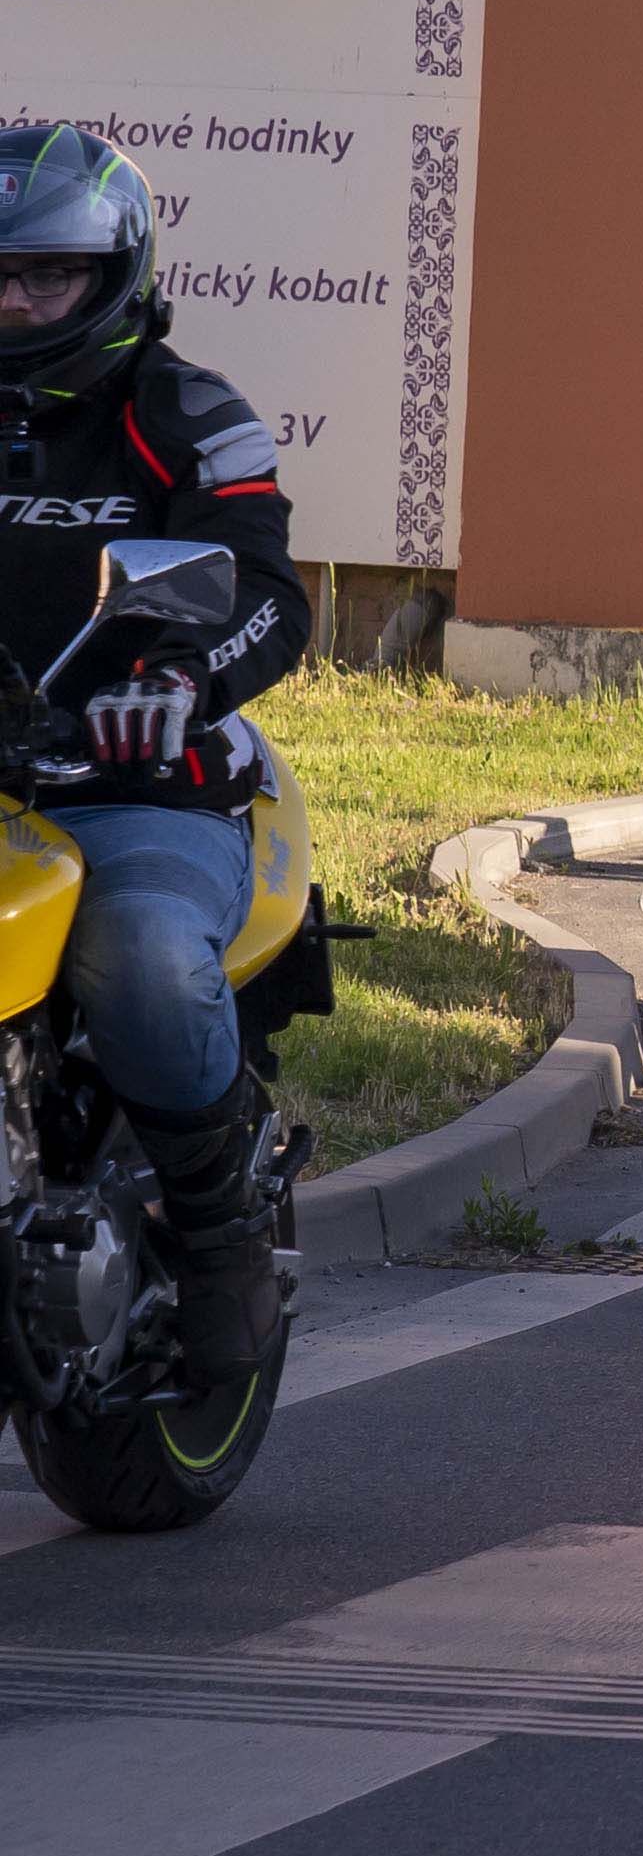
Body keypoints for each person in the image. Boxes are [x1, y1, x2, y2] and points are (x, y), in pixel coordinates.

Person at [0, 125, 313, 1377]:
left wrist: (178, 679)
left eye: (49, 273)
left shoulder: (189, 417)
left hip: (132, 785)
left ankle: (221, 1237)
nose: (16, 299)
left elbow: (269, 595)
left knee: (137, 952)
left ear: (114, 271)